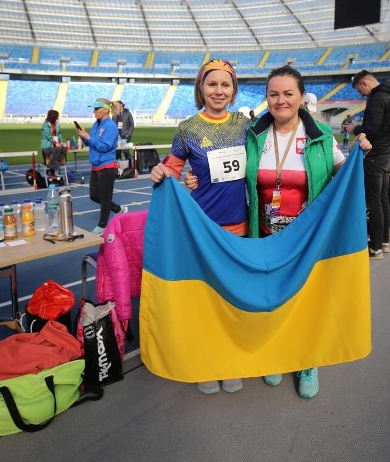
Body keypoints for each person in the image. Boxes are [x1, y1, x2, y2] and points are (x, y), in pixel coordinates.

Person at [245, 65, 371, 399]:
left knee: (306, 300)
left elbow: (344, 171)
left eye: (288, 93)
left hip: (307, 240)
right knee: (271, 300)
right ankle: (275, 354)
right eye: (274, 94)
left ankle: (307, 361)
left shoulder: (320, 137)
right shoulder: (253, 135)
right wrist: (189, 178)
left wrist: (362, 153)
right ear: (266, 98)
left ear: (302, 97)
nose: (281, 100)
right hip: (266, 237)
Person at [150, 59, 250, 396]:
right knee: (205, 299)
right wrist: (165, 174)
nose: (218, 91)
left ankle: (230, 360)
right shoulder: (187, 128)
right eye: (212, 85)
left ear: (233, 90)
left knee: (232, 298)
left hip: (239, 227)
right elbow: (173, 169)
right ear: (201, 89)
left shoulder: (245, 124)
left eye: (225, 85)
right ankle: (205, 361)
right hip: (202, 227)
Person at [346, 70, 390, 261]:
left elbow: (373, 130)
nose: (362, 95)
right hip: (388, 154)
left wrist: (355, 129)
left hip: (375, 156)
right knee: (383, 199)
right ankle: (384, 242)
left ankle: (375, 247)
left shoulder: (377, 99)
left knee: (373, 202)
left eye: (360, 90)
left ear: (364, 84)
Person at [76, 98, 126, 236]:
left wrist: (89, 138)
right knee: (94, 196)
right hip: (96, 166)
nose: (94, 111)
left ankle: (102, 225)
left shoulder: (111, 126)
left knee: (105, 197)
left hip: (107, 166)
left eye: (96, 109)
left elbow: (104, 147)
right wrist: (84, 137)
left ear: (106, 110)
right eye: (94, 108)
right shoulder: (95, 124)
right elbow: (92, 144)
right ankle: (118, 209)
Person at [41, 109, 66, 180]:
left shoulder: (57, 124)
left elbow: (59, 133)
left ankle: (53, 171)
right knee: (50, 159)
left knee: (61, 151)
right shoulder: (45, 125)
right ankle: (50, 172)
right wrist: (55, 143)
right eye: (56, 116)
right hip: (47, 145)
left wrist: (61, 141)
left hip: (56, 144)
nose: (58, 118)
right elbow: (47, 135)